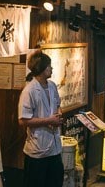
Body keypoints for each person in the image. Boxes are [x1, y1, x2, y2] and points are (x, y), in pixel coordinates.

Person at [18, 50, 63, 187]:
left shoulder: (52, 86)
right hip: (37, 151)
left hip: (55, 148)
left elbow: (58, 105)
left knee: (56, 182)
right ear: (42, 69)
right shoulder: (29, 91)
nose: (52, 68)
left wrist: (59, 114)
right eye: (49, 66)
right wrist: (49, 121)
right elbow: (23, 121)